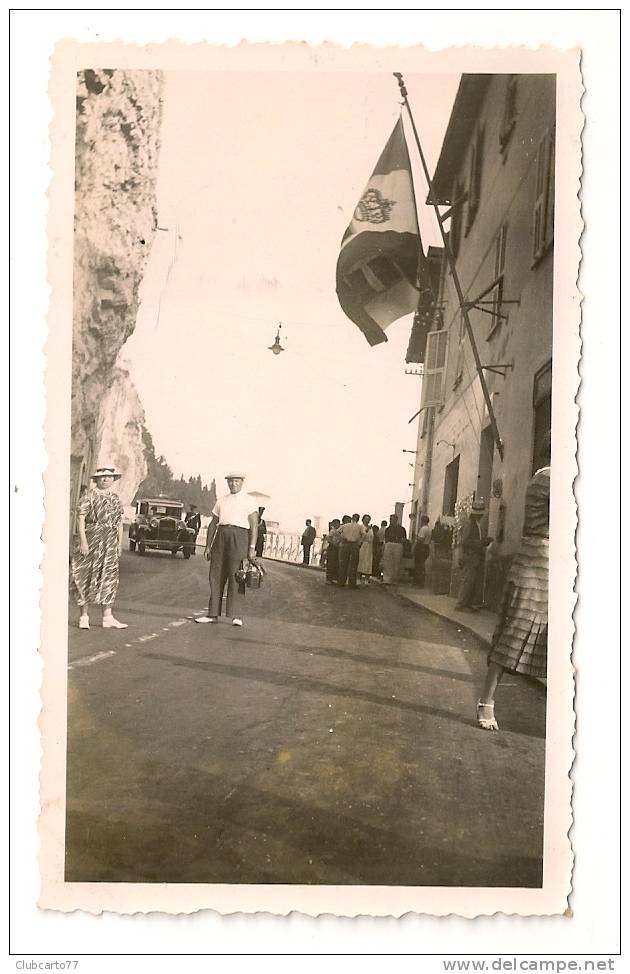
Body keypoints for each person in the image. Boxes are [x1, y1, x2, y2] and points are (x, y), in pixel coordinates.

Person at [477, 439, 551, 731]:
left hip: (547, 563)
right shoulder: (548, 479)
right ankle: (485, 701)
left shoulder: (547, 478)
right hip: (537, 563)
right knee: (516, 632)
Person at [195, 470, 258, 627]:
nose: (233, 484)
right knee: (216, 575)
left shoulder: (249, 501)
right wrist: (208, 546)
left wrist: (251, 547)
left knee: (237, 575)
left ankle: (236, 615)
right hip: (221, 536)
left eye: (236, 481)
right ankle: (212, 614)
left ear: (242, 482)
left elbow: (254, 526)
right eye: (230, 481)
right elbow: (213, 523)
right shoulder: (221, 501)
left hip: (240, 536)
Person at [71, 465, 127, 630]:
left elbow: (119, 522)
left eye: (109, 477)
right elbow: (80, 519)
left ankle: (107, 616)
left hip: (109, 541)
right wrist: (83, 541)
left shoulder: (115, 498)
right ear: (96, 479)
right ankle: (83, 616)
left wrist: (118, 543)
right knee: (85, 574)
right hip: (92, 537)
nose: (106, 479)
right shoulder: (89, 495)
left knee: (109, 576)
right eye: (102, 477)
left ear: (113, 479)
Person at [455, 499, 491, 611]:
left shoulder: (476, 524)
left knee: (472, 582)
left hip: (475, 557)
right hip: (469, 557)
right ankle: (461, 605)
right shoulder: (470, 524)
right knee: (468, 581)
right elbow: (465, 541)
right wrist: (482, 543)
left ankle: (467, 604)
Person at [337, 513, 365, 588]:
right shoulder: (360, 527)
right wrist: (360, 542)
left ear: (352, 518)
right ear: (358, 519)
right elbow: (364, 534)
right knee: (353, 565)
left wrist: (342, 539)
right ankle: (351, 584)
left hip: (345, 544)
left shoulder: (345, 525)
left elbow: (337, 532)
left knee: (343, 563)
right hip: (354, 544)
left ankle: (341, 582)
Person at [382, 514, 407, 584]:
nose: (390, 520)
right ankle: (387, 579)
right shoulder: (388, 529)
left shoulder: (401, 529)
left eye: (392, 519)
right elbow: (385, 539)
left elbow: (404, 539)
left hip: (398, 544)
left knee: (397, 562)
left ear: (396, 520)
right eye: (390, 519)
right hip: (389, 544)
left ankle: (395, 579)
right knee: (387, 562)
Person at [413, 515, 431, 587]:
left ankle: (418, 582)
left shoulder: (423, 529)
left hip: (421, 548)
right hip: (426, 547)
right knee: (421, 566)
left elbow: (421, 539)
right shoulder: (428, 529)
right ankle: (420, 582)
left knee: (418, 566)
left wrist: (416, 537)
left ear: (423, 521)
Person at [357, 514, 374, 586]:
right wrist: (366, 530)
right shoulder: (360, 527)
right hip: (362, 545)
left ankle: (367, 579)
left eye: (368, 519)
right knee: (360, 561)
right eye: (366, 519)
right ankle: (358, 578)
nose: (367, 520)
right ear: (363, 519)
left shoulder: (371, 528)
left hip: (369, 546)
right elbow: (361, 535)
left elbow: (372, 537)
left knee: (368, 563)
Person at [325, 518, 342, 584]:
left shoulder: (339, 531)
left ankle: (334, 578)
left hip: (337, 548)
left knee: (336, 563)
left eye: (338, 523)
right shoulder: (332, 531)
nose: (337, 525)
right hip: (332, 547)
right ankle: (329, 578)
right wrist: (335, 544)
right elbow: (329, 540)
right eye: (335, 524)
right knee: (331, 563)